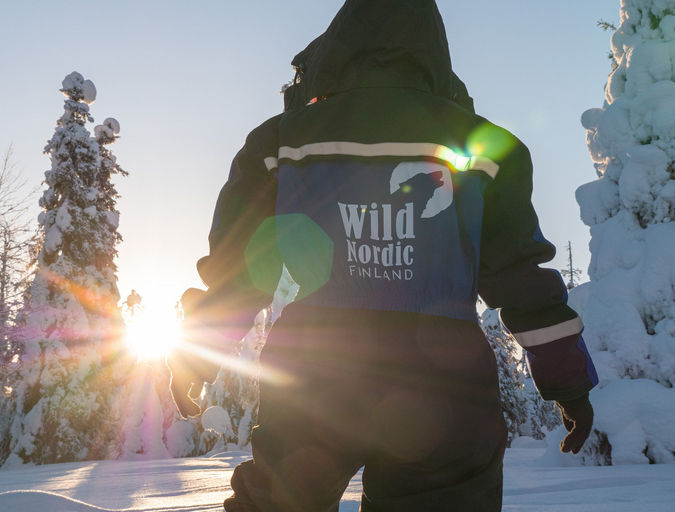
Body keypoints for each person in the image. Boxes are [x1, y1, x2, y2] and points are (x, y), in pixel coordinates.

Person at [167, 1, 598, 510]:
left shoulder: (280, 142)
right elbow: (519, 274)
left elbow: (240, 267)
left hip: (317, 372)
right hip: (444, 384)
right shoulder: (488, 149)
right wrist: (567, 379)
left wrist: (197, 350)